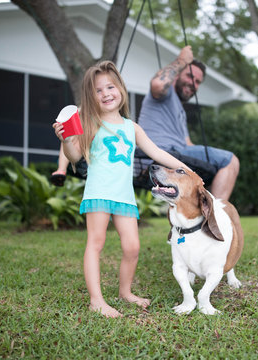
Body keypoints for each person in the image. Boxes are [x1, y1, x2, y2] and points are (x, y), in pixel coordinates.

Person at [53, 60, 190, 318]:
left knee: (132, 247)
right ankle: (96, 301)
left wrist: (186, 170)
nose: (106, 94)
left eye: (110, 87)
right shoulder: (90, 123)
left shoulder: (132, 127)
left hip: (124, 196)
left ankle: (125, 292)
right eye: (98, 90)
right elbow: (73, 156)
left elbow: (158, 152)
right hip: (99, 192)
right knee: (96, 243)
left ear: (121, 89)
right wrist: (66, 139)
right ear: (91, 96)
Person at [138, 45, 239, 201]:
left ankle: (208, 210)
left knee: (222, 164)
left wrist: (209, 166)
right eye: (190, 76)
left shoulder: (180, 111)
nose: (194, 83)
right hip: (159, 154)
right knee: (230, 160)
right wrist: (182, 60)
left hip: (179, 154)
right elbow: (158, 84)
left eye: (198, 81)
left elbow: (188, 144)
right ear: (177, 76)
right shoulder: (164, 94)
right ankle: (217, 215)